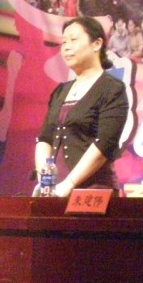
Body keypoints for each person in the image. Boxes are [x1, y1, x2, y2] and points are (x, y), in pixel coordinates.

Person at [35, 16, 129, 196]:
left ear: (97, 44)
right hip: (55, 193)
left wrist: (68, 184)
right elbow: (45, 138)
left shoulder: (112, 89)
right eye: (64, 42)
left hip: (94, 191)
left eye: (73, 40)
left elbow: (105, 143)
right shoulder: (61, 91)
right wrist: (45, 183)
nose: (66, 47)